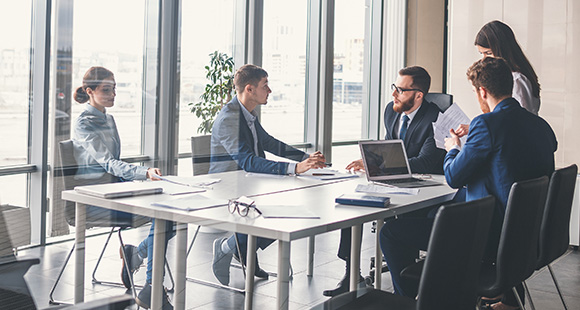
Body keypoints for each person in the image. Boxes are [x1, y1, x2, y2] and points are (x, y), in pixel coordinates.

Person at [380, 57, 556, 309]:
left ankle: (410, 301)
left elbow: (453, 177)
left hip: (486, 236)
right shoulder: (541, 126)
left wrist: (453, 149)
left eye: (475, 92)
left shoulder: (486, 124)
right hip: (526, 235)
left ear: (482, 91)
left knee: (391, 233)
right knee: (433, 215)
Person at [323, 66, 446, 297]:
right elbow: (390, 148)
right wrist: (371, 161)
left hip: (424, 189)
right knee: (353, 204)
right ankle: (352, 275)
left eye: (400, 90)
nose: (394, 94)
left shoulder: (435, 119)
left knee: (397, 227)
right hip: (392, 181)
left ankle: (407, 289)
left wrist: (380, 165)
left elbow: (425, 162)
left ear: (418, 95)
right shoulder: (392, 110)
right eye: (394, 88)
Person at [210, 64, 327, 286]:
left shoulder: (247, 114)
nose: (270, 91)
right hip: (227, 187)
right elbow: (247, 161)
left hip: (249, 184)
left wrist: (306, 158)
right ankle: (227, 247)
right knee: (277, 214)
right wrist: (294, 169)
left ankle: (241, 248)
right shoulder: (229, 118)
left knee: (284, 211)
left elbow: (269, 143)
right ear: (249, 89)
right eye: (265, 85)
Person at [72, 66, 173, 310]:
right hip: (96, 197)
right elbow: (108, 162)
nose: (113, 94)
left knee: (170, 215)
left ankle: (138, 257)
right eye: (107, 89)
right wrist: (143, 173)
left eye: (114, 88)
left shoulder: (109, 118)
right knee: (164, 218)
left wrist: (141, 175)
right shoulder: (84, 123)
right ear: (90, 91)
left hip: (115, 188)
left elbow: (114, 164)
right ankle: (150, 285)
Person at [455, 20, 541, 138]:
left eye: (488, 53)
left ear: (502, 49)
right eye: (482, 54)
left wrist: (480, 128)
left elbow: (517, 123)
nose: (484, 60)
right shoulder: (512, 77)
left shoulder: (517, 80)